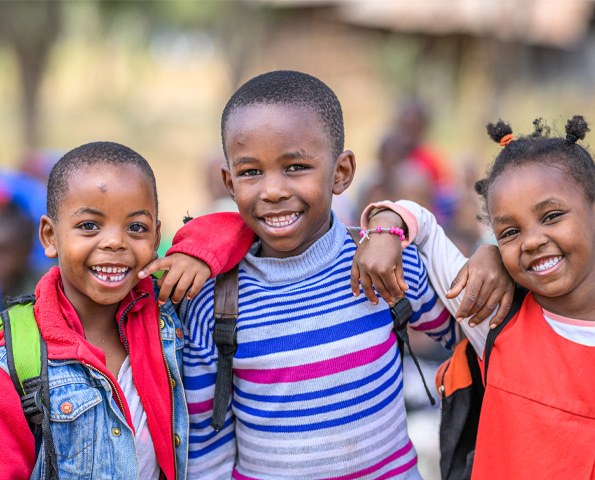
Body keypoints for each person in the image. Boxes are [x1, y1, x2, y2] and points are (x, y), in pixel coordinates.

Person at [170, 70, 513, 480]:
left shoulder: (386, 265)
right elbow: (206, 445)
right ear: (229, 181)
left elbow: (475, 338)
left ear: (342, 172)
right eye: (250, 172)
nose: (273, 190)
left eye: (296, 166)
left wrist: (493, 259)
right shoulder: (214, 301)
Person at [373, 116, 595, 479]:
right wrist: (385, 230)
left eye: (552, 215)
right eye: (511, 232)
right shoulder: (496, 318)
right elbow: (426, 229)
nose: (531, 241)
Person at [0, 141, 251, 479]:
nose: (115, 242)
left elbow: (241, 224)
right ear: (50, 236)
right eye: (89, 225)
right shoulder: (17, 356)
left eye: (136, 228)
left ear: (157, 235)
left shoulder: (167, 310)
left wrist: (193, 252)